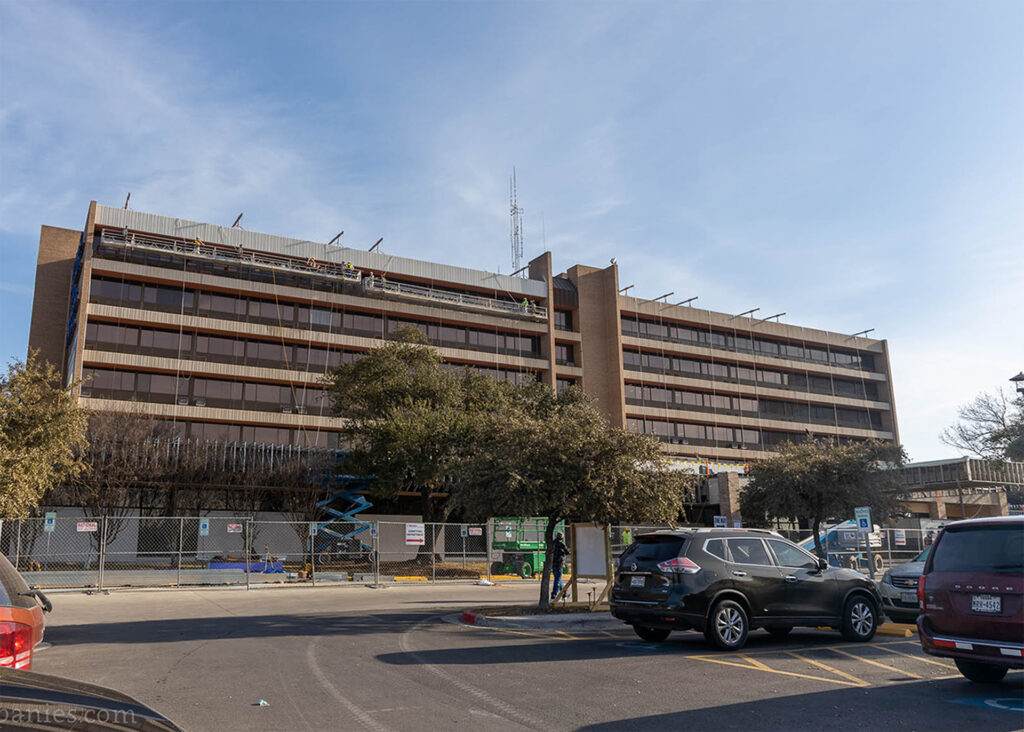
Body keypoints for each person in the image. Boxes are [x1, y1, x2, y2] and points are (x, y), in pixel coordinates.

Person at [549, 532, 570, 600]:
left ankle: (564, 594)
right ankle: (554, 595)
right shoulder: (561, 544)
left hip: (553, 564)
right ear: (562, 537)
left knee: (559, 580)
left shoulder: (553, 543)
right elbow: (567, 552)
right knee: (557, 580)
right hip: (559, 564)